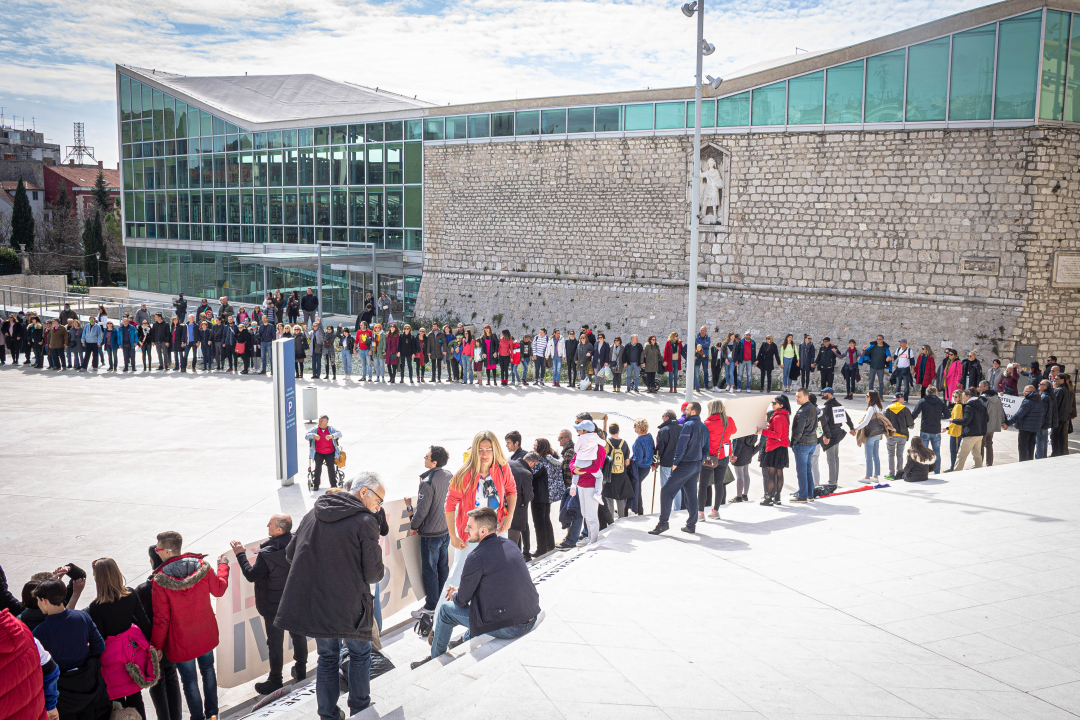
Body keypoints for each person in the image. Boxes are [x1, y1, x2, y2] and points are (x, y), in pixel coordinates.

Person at [275, 473, 385, 720]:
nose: (378, 507)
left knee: (327, 658)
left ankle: (327, 714)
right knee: (359, 654)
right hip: (351, 606)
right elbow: (373, 573)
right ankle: (359, 708)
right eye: (378, 500)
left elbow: (291, 554)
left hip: (318, 604)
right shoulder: (365, 521)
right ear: (365, 492)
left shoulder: (313, 513)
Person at [414, 507, 540, 667]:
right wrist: (460, 592)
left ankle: (435, 659)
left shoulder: (476, 557)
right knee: (479, 605)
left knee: (445, 610)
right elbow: (490, 588)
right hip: (530, 615)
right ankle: (464, 640)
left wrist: (455, 594)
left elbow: (461, 602)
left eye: (470, 527)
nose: (466, 530)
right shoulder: (510, 544)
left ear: (483, 530)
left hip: (512, 627)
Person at [150, 532, 229, 720]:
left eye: (158, 548)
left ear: (167, 551)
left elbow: (162, 620)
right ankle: (213, 715)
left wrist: (156, 646)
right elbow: (219, 589)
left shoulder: (160, 581)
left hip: (181, 640)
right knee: (208, 671)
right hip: (205, 632)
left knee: (189, 680)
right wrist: (223, 566)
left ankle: (198, 717)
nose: (156, 551)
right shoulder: (203, 568)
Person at [229, 515, 306, 694]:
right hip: (294, 599)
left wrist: (240, 554)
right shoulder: (298, 542)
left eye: (270, 524)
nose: (267, 525)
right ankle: (301, 670)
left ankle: (275, 680)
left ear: (279, 530)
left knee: (275, 643)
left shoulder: (267, 555)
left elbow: (251, 575)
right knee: (298, 636)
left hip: (272, 606)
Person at [441, 431, 517, 610]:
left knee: (498, 575)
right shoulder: (464, 474)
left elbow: (512, 491)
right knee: (457, 577)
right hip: (470, 537)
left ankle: (496, 614)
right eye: (480, 450)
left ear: (495, 450)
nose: (484, 454)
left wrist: (509, 515)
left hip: (496, 532)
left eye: (488, 450)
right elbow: (449, 505)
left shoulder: (502, 468)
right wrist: (453, 535)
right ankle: (439, 624)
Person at [31, 579, 111, 720]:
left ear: (44, 600)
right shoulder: (83, 617)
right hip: (89, 684)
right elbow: (99, 646)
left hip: (63, 693)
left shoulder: (39, 633)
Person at [86, 558, 153, 718]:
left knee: (116, 704)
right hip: (131, 656)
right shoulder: (130, 594)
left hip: (111, 661)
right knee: (135, 697)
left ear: (99, 578)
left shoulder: (97, 606)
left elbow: (99, 640)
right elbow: (144, 624)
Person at [650, 402, 709, 534]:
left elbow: (682, 446)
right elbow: (706, 448)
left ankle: (663, 523)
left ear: (693, 411)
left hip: (685, 464)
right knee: (691, 495)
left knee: (666, 492)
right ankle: (691, 525)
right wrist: (701, 459)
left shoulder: (688, 425)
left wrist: (675, 462)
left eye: (687, 409)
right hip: (696, 465)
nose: (685, 410)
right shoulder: (703, 427)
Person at [407, 446, 451, 620]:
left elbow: (422, 510)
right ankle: (442, 601)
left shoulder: (427, 482)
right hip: (445, 530)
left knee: (430, 571)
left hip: (431, 534)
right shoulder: (449, 475)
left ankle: (431, 606)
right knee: (443, 567)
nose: (424, 459)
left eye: (426, 457)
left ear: (434, 462)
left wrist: (413, 525)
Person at [569, 420, 606, 543]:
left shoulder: (600, 449)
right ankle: (590, 537)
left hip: (591, 486)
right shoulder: (583, 446)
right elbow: (573, 460)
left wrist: (580, 470)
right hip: (581, 485)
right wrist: (574, 469)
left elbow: (596, 467)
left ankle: (593, 540)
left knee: (591, 516)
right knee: (585, 513)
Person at [701, 400, 737, 515]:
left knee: (703, 485)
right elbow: (734, 432)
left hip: (709, 458)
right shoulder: (729, 420)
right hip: (723, 456)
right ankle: (715, 511)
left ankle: (700, 513)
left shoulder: (706, 423)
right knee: (719, 484)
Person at [818, 387, 854, 489]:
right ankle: (834, 481)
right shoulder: (837, 404)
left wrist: (826, 435)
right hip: (838, 433)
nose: (822, 395)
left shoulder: (829, 407)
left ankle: (832, 482)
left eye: (823, 393)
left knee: (831, 459)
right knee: (835, 458)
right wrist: (851, 428)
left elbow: (827, 422)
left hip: (831, 435)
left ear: (829, 394)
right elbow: (847, 417)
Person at [851, 391, 887, 483]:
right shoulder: (879, 407)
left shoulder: (871, 408)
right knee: (876, 455)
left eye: (867, 396)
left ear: (872, 398)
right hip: (878, 434)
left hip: (871, 434)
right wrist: (881, 434)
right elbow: (882, 421)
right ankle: (875, 476)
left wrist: (856, 429)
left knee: (868, 456)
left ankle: (867, 477)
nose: (866, 397)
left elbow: (866, 422)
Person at [949, 387, 989, 472]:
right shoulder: (982, 405)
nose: (963, 398)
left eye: (964, 396)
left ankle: (955, 472)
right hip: (980, 434)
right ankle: (979, 470)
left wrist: (954, 420)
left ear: (968, 396)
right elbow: (987, 419)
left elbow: (965, 421)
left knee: (961, 456)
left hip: (970, 434)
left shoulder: (969, 406)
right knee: (977, 455)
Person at [789, 389, 818, 502]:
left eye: (799, 396)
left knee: (802, 471)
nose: (796, 398)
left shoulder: (803, 412)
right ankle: (810, 494)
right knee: (808, 469)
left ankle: (802, 495)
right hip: (812, 442)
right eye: (796, 396)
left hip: (803, 444)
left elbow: (798, 431)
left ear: (806, 397)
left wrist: (793, 443)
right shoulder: (813, 408)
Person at [911, 385, 947, 474]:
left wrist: (909, 422)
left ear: (927, 393)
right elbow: (948, 415)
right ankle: (937, 472)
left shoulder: (923, 401)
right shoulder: (940, 402)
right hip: (936, 430)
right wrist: (940, 416)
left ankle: (924, 471)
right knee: (936, 452)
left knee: (923, 452)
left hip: (925, 429)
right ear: (935, 393)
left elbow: (914, 414)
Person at [1004, 384, 1044, 461]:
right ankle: (1029, 462)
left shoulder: (1028, 401)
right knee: (1031, 447)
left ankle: (1023, 463)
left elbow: (1019, 414)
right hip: (1035, 427)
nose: (1024, 392)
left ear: (1032, 392)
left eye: (1026, 391)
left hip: (1025, 428)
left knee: (1023, 448)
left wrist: (1008, 423)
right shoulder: (1039, 400)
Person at [602, 424, 634, 519]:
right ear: (618, 431)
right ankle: (622, 518)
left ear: (609, 431)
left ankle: (611, 519)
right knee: (620, 498)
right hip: (621, 474)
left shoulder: (606, 443)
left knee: (609, 497)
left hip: (609, 474)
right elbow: (627, 462)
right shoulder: (624, 443)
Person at [507, 452, 536, 557]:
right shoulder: (526, 473)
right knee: (512, 541)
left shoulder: (508, 463)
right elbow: (529, 496)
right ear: (532, 463)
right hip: (517, 511)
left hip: (501, 508)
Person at [654, 409, 681, 512]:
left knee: (666, 486)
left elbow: (659, 449)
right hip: (679, 463)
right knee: (677, 486)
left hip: (666, 462)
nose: (662, 418)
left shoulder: (664, 430)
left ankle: (666, 508)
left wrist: (655, 463)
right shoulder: (682, 428)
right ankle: (677, 508)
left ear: (667, 418)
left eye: (662, 416)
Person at [883, 392, 915, 480]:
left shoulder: (887, 409)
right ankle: (900, 472)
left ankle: (891, 474)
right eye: (903, 399)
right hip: (903, 435)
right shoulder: (905, 409)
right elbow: (910, 423)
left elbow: (883, 423)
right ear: (900, 399)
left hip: (891, 436)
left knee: (891, 455)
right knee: (900, 454)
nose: (903, 401)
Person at [305, 416, 342, 491]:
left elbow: (340, 434)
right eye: (319, 421)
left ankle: (333, 485)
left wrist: (332, 436)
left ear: (326, 422)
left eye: (321, 421)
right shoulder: (315, 429)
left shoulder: (331, 429)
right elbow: (306, 436)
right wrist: (313, 435)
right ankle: (316, 484)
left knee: (331, 468)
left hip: (329, 452)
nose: (320, 423)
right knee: (318, 468)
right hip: (318, 452)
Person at [978, 381, 1005, 466]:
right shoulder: (997, 398)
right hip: (993, 426)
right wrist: (1003, 421)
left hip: (984, 426)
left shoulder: (983, 398)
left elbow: (979, 412)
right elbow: (1001, 411)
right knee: (989, 444)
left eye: (981, 387)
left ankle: (979, 463)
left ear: (986, 387)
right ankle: (989, 463)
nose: (979, 389)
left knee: (981, 445)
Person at [630, 420, 654, 516]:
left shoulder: (639, 440)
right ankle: (638, 509)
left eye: (634, 426)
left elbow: (638, 458)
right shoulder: (649, 436)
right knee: (638, 487)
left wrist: (630, 460)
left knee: (636, 488)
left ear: (639, 427)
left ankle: (638, 510)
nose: (633, 428)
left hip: (639, 468)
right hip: (647, 467)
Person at [1052, 374, 1075, 456]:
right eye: (1054, 378)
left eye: (1056, 379)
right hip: (1064, 417)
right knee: (1061, 436)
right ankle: (1060, 452)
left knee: (1055, 436)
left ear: (1063, 380)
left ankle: (1055, 453)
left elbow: (1055, 404)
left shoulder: (1060, 390)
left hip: (1059, 417)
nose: (1054, 380)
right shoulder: (1065, 389)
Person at [694, 326, 711, 391]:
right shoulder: (697, 337)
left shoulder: (708, 337)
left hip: (704, 356)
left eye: (703, 330)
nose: (702, 331)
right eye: (701, 330)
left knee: (705, 371)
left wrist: (700, 345)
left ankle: (706, 386)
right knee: (696, 371)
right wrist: (702, 345)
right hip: (698, 356)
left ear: (706, 331)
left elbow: (707, 345)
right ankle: (695, 386)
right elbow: (696, 345)